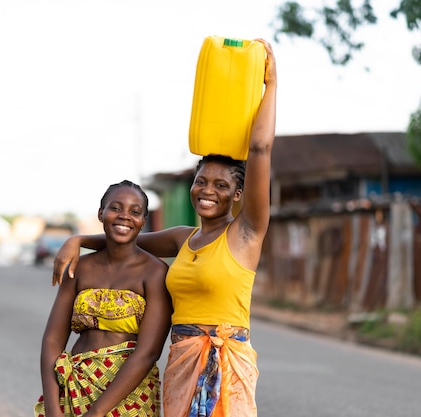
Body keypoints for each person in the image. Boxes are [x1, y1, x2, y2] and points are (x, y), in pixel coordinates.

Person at [52, 39, 277, 417]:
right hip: (181, 359)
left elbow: (258, 150)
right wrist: (78, 240)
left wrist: (271, 84)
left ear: (238, 194)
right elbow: (126, 235)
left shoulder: (246, 233)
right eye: (201, 181)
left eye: (221, 186)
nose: (207, 191)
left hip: (226, 364)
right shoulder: (182, 238)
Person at [35, 180, 172, 417]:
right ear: (101, 213)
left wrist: (97, 412)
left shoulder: (155, 273)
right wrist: (52, 406)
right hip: (76, 388)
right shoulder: (79, 268)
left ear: (143, 221)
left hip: (130, 394)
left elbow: (148, 352)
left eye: (135, 211)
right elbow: (52, 341)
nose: (125, 216)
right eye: (116, 208)